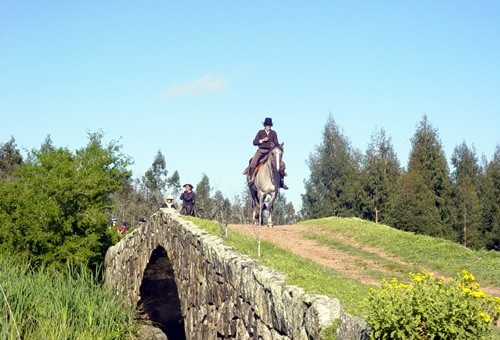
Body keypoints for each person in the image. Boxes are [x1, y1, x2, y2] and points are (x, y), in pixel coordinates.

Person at [245, 117, 288, 189]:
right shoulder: (260, 132)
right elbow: (254, 142)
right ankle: (251, 180)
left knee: (282, 164)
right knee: (253, 163)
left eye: (270, 125)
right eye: (268, 125)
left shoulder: (274, 133)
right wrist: (262, 140)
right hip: (261, 151)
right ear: (265, 125)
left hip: (270, 152)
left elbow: (276, 143)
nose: (269, 127)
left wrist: (279, 146)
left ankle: (281, 181)